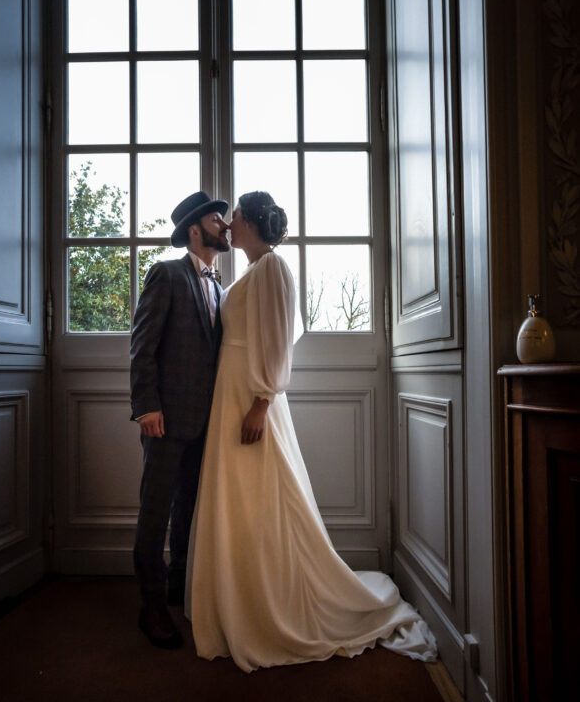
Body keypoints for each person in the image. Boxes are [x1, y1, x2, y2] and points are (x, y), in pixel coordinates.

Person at [186, 190, 437, 672]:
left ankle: (273, 603)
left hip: (250, 398)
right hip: (231, 392)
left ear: (254, 221)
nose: (230, 223)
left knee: (261, 497)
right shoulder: (252, 272)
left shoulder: (274, 269)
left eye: (235, 215)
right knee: (239, 500)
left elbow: (280, 341)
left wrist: (261, 402)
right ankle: (239, 599)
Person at [130, 190, 229, 649]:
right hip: (165, 420)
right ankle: (151, 608)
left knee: (188, 509)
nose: (225, 226)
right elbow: (142, 345)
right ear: (195, 229)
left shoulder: (217, 285)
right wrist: (147, 406)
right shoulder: (166, 274)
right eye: (216, 219)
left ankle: (179, 589)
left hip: (205, 422)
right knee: (155, 511)